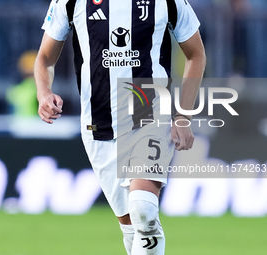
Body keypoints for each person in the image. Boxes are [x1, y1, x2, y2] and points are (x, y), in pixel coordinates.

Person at [35, 0, 206, 254]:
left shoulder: (167, 2)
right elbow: (45, 58)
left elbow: (196, 54)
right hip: (98, 124)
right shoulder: (71, 2)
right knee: (131, 227)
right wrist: (44, 92)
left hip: (148, 112)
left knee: (144, 211)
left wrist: (183, 116)